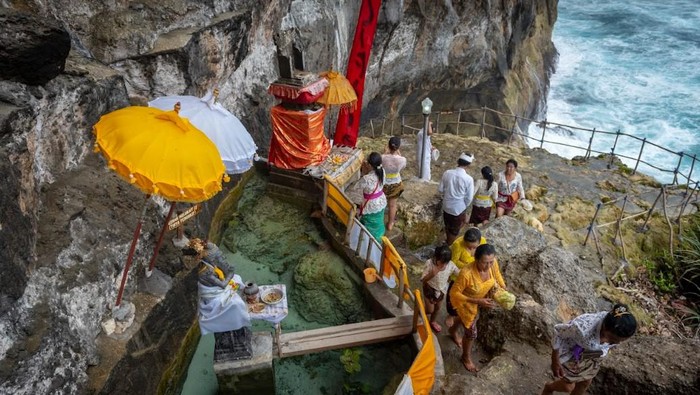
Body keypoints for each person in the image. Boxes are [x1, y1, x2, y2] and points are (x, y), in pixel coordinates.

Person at [541, 304, 637, 395]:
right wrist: (555, 360)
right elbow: (558, 332)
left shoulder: (614, 324)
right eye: (612, 339)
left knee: (585, 383)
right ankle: (549, 387)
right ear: (604, 328)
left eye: (619, 341)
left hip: (592, 356)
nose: (613, 343)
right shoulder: (582, 328)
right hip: (571, 354)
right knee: (568, 387)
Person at [449, 243, 506, 372]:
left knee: (465, 321)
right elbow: (454, 293)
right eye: (485, 263)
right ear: (476, 259)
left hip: (481, 300)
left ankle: (452, 330)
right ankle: (465, 357)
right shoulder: (466, 274)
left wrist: (503, 288)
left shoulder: (492, 263)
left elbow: (497, 275)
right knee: (471, 334)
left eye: (491, 262)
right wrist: (476, 301)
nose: (489, 266)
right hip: (466, 304)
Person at [196, 241, 250, 335]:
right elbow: (223, 285)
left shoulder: (211, 264)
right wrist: (230, 274)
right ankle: (238, 320)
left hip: (219, 285)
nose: (218, 259)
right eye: (216, 258)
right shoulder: (205, 272)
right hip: (214, 294)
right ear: (210, 259)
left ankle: (243, 294)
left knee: (237, 278)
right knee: (236, 303)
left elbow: (222, 272)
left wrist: (229, 274)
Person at [421, 245, 460, 333]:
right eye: (441, 262)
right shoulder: (429, 263)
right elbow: (423, 280)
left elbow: (459, 273)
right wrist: (432, 274)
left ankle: (433, 321)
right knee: (430, 310)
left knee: (437, 308)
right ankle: (419, 312)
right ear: (435, 257)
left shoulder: (450, 265)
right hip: (429, 288)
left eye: (446, 263)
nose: (444, 265)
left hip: (441, 290)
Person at [349, 151, 387, 241]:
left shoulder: (366, 179)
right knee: (378, 221)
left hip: (370, 205)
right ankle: (380, 237)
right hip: (381, 201)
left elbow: (355, 187)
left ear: (369, 165)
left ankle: (370, 241)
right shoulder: (382, 172)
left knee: (369, 223)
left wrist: (363, 172)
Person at [438, 153, 475, 245]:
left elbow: (440, 189)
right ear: (468, 165)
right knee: (455, 230)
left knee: (448, 225)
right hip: (458, 208)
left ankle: (447, 241)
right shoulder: (468, 179)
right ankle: (450, 246)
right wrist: (463, 206)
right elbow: (469, 197)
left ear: (458, 162)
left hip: (446, 206)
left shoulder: (447, 173)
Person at [382, 136, 407, 231]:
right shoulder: (402, 160)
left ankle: (380, 221)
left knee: (382, 203)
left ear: (388, 146)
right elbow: (402, 165)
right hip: (396, 184)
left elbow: (381, 163)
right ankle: (390, 223)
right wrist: (398, 154)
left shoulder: (382, 157)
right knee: (392, 205)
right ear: (398, 147)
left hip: (383, 184)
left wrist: (385, 152)